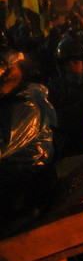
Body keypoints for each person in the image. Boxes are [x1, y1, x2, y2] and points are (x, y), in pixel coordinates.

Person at [0, 50, 58, 232]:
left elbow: (2, 143)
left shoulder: (27, 106)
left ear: (13, 70)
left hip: (25, 188)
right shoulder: (12, 101)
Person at [47, 34, 83, 158]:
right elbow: (54, 120)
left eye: (76, 60)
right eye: (67, 62)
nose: (72, 65)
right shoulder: (55, 88)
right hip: (70, 149)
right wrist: (79, 108)